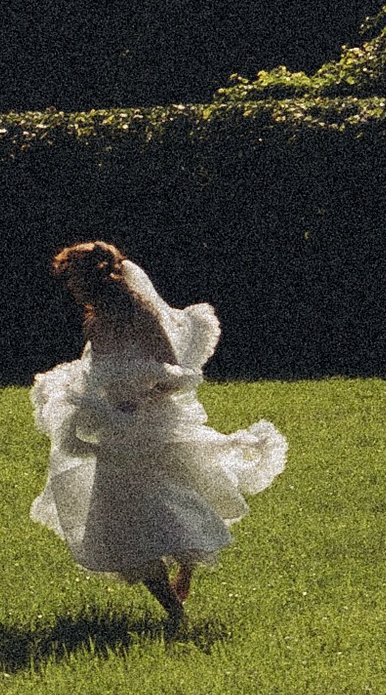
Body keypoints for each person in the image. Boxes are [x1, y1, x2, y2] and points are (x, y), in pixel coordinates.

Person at [31, 239, 285, 634]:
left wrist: (141, 395)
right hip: (115, 429)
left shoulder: (141, 313)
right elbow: (98, 372)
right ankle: (173, 611)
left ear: (94, 277)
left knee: (172, 505)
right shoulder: (95, 320)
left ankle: (186, 564)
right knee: (118, 521)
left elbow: (175, 370)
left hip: (152, 423)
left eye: (74, 278)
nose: (70, 287)